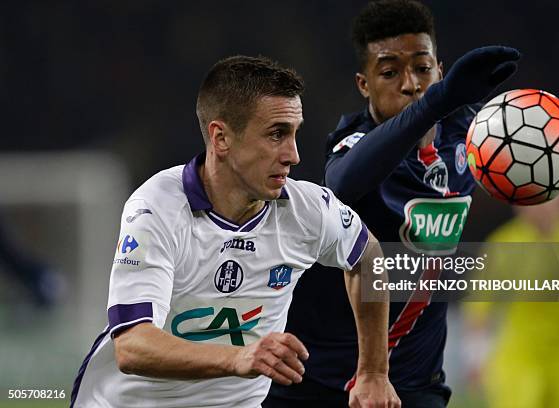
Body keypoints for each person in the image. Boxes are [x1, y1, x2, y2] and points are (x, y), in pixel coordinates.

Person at [265, 1, 559, 407]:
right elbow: (343, 183)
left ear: (441, 71)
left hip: (416, 379)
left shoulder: (472, 131)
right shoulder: (357, 142)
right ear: (364, 84)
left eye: (423, 68)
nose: (410, 83)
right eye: (390, 71)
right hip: (320, 377)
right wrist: (438, 100)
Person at [70, 55, 400, 408]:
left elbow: (368, 256)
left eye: (294, 133)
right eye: (277, 134)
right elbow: (132, 345)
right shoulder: (157, 208)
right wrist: (238, 357)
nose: (294, 155)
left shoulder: (307, 209)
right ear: (221, 137)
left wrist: (374, 373)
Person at [463, 191, 559, 408]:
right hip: (518, 352)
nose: (539, 207)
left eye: (547, 196)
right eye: (529, 199)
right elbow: (479, 306)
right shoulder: (503, 243)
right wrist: (475, 357)